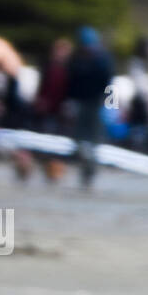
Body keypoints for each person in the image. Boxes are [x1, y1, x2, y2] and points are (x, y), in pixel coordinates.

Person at [66, 25, 115, 188]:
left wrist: (110, 105)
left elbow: (109, 84)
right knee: (78, 141)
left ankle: (89, 175)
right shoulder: (77, 60)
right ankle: (85, 171)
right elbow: (71, 83)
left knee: (94, 143)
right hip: (80, 104)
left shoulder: (102, 60)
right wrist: (69, 101)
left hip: (96, 104)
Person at [31, 38, 73, 182]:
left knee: (59, 146)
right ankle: (47, 172)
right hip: (47, 110)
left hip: (61, 112)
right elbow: (42, 86)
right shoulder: (48, 66)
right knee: (45, 142)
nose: (60, 54)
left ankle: (56, 174)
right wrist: (39, 100)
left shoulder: (70, 69)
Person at [126, 36, 148, 157]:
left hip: (144, 100)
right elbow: (140, 84)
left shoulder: (144, 64)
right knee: (144, 128)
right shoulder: (136, 64)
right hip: (140, 100)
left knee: (143, 128)